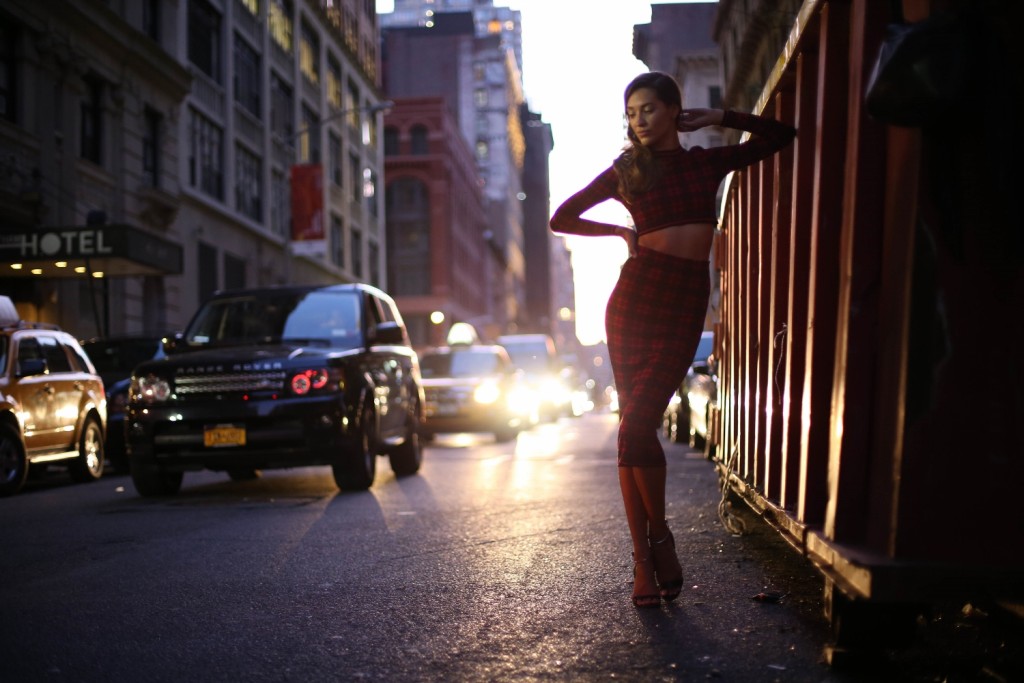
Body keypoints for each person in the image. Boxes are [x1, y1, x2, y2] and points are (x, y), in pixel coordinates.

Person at [549, 71, 796, 608]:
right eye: (632, 112)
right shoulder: (626, 172)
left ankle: (655, 541)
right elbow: (561, 217)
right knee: (632, 430)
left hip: (683, 304)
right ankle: (646, 555)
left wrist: (720, 118)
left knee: (638, 425)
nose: (638, 120)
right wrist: (617, 231)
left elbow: (782, 136)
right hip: (634, 302)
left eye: (648, 109)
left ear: (673, 111)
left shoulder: (704, 162)